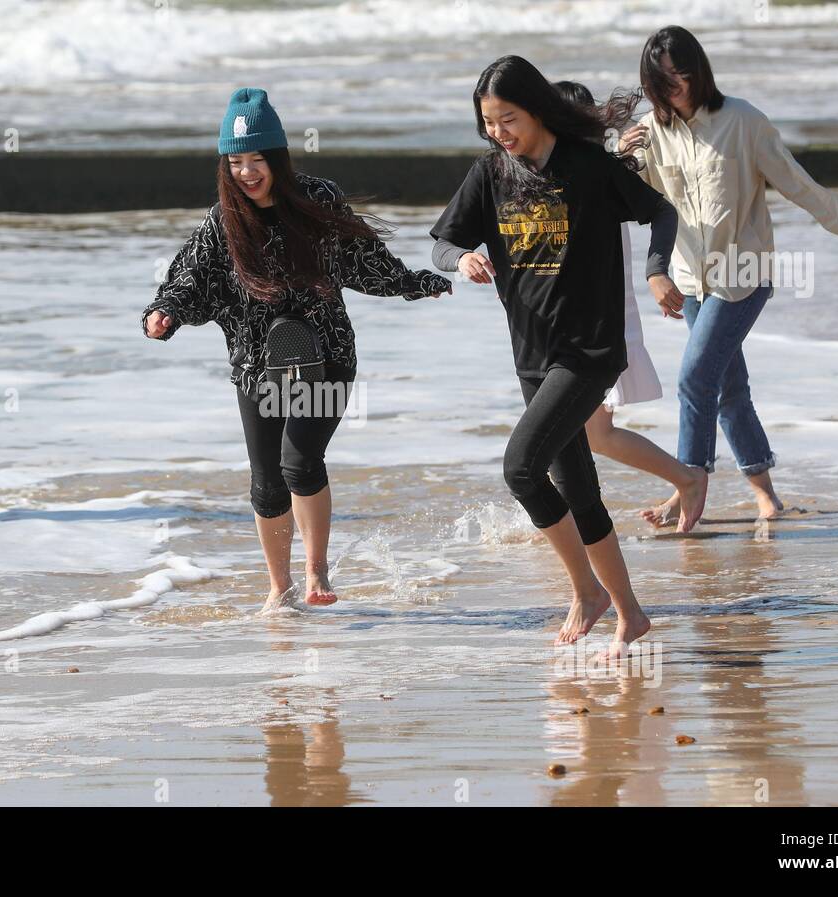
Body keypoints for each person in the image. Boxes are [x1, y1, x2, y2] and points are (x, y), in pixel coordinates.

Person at [142, 88, 450, 610]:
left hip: (324, 354)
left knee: (300, 461)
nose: (246, 172)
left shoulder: (317, 200)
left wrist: (414, 283)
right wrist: (164, 312)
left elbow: (364, 260)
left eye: (256, 159)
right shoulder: (224, 220)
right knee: (266, 483)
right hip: (255, 361)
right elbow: (190, 278)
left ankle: (316, 570)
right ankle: (278, 588)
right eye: (235, 161)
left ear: (277, 157)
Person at [430, 57, 678, 652]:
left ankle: (586, 593)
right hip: (532, 356)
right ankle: (630, 614)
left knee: (520, 469)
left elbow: (660, 212)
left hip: (588, 351)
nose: (499, 133)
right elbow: (442, 241)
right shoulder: (490, 174)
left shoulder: (588, 168)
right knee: (579, 491)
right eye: (488, 123)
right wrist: (460, 260)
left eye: (507, 119)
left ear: (537, 111)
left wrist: (656, 270)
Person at [624, 26, 838, 530]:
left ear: (700, 72)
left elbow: (797, 183)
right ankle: (766, 494)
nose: (675, 87)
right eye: (664, 80)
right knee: (728, 388)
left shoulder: (742, 121)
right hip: (690, 279)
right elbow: (639, 206)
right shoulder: (649, 132)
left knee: (695, 378)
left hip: (744, 273)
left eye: (683, 75)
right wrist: (623, 159)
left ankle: (686, 485)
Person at [554, 80, 709, 535]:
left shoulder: (597, 173)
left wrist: (618, 155)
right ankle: (571, 518)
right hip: (565, 323)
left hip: (598, 321)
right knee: (574, 435)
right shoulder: (568, 168)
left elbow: (657, 207)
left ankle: (686, 478)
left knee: (590, 435)